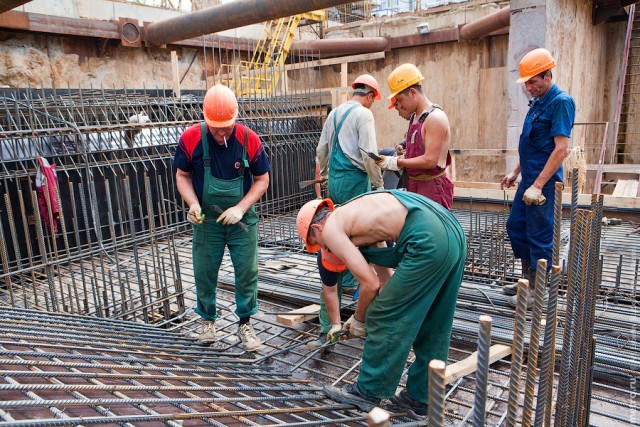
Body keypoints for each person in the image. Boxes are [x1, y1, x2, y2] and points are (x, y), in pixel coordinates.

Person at [296, 190, 466, 415]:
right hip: (451, 233)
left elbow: (370, 284)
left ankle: (368, 391)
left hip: (427, 239)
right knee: (434, 321)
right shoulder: (360, 216)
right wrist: (357, 319)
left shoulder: (331, 228)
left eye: (318, 244)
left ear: (317, 229)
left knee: (381, 315)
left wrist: (359, 320)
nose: (325, 248)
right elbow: (385, 280)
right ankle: (422, 397)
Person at [173, 84, 270, 351]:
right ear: (205, 118)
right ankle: (207, 321)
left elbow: (262, 180)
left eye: (226, 126)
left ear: (236, 117)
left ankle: (245, 324)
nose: (220, 131)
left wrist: (241, 207)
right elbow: (182, 175)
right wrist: (193, 204)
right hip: (207, 222)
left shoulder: (250, 139)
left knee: (247, 272)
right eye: (215, 126)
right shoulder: (191, 138)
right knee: (204, 271)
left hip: (241, 222)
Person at [311, 74, 385, 349]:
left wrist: (327, 180)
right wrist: (378, 186)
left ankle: (326, 325)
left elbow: (321, 151)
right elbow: (369, 154)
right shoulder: (364, 115)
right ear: (371, 96)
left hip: (335, 184)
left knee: (332, 246)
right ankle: (367, 316)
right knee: (365, 245)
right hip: (357, 184)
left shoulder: (335, 114)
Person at [500, 48, 575, 308]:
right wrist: (515, 172)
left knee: (540, 235)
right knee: (516, 227)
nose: (528, 87)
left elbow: (561, 148)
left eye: (533, 82)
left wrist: (539, 185)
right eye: (526, 83)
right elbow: (532, 145)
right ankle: (526, 281)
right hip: (528, 182)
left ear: (547, 76)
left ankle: (538, 292)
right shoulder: (537, 103)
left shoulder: (561, 102)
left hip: (543, 185)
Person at [376, 63, 454, 210]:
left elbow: (430, 161)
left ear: (412, 93)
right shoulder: (416, 118)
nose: (398, 105)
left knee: (432, 231)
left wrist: (396, 162)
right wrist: (404, 148)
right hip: (415, 185)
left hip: (432, 189)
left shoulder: (435, 118)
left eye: (399, 100)